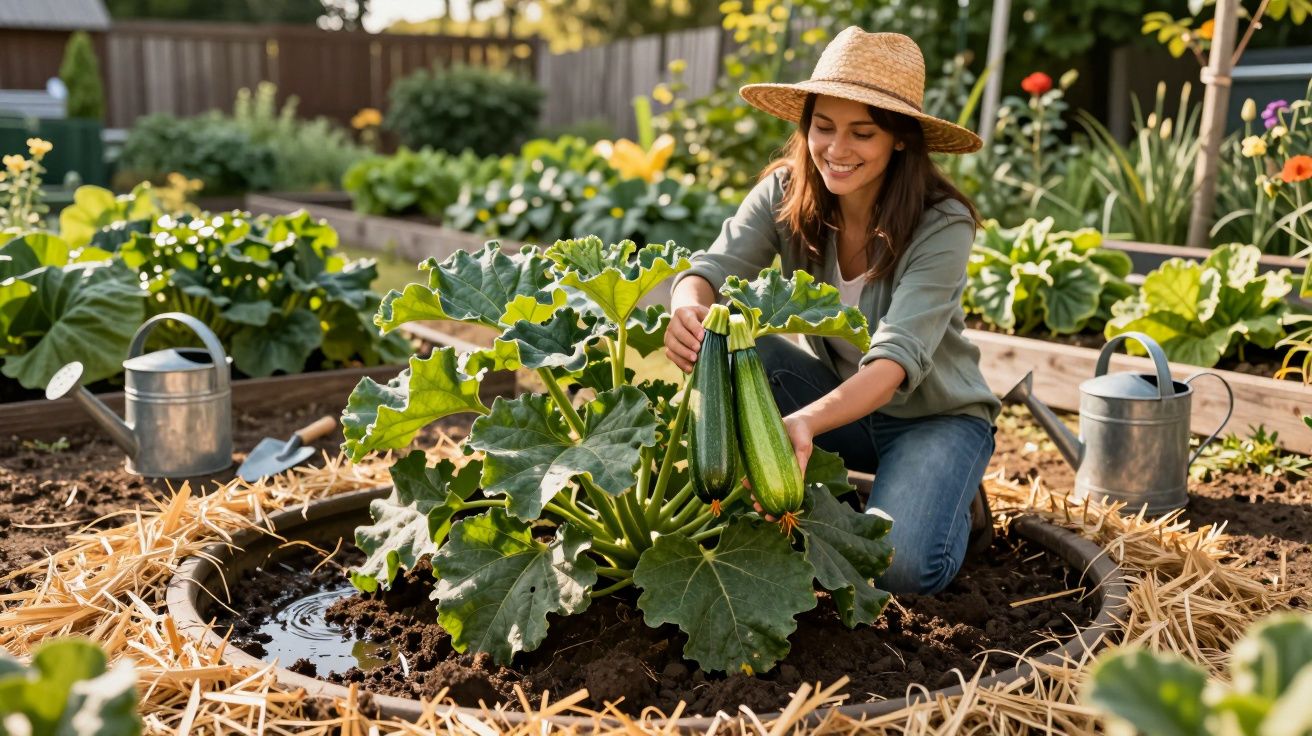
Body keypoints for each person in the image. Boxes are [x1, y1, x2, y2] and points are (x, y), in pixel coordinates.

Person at [664, 27, 1001, 595]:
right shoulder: (785, 192)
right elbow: (713, 268)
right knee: (737, 355)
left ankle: (952, 494)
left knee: (899, 568)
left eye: (862, 133)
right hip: (840, 405)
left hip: (933, 419)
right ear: (806, 126)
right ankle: (834, 493)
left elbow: (894, 363)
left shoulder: (942, 222)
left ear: (899, 139)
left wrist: (803, 424)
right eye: (824, 127)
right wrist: (687, 306)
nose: (837, 150)